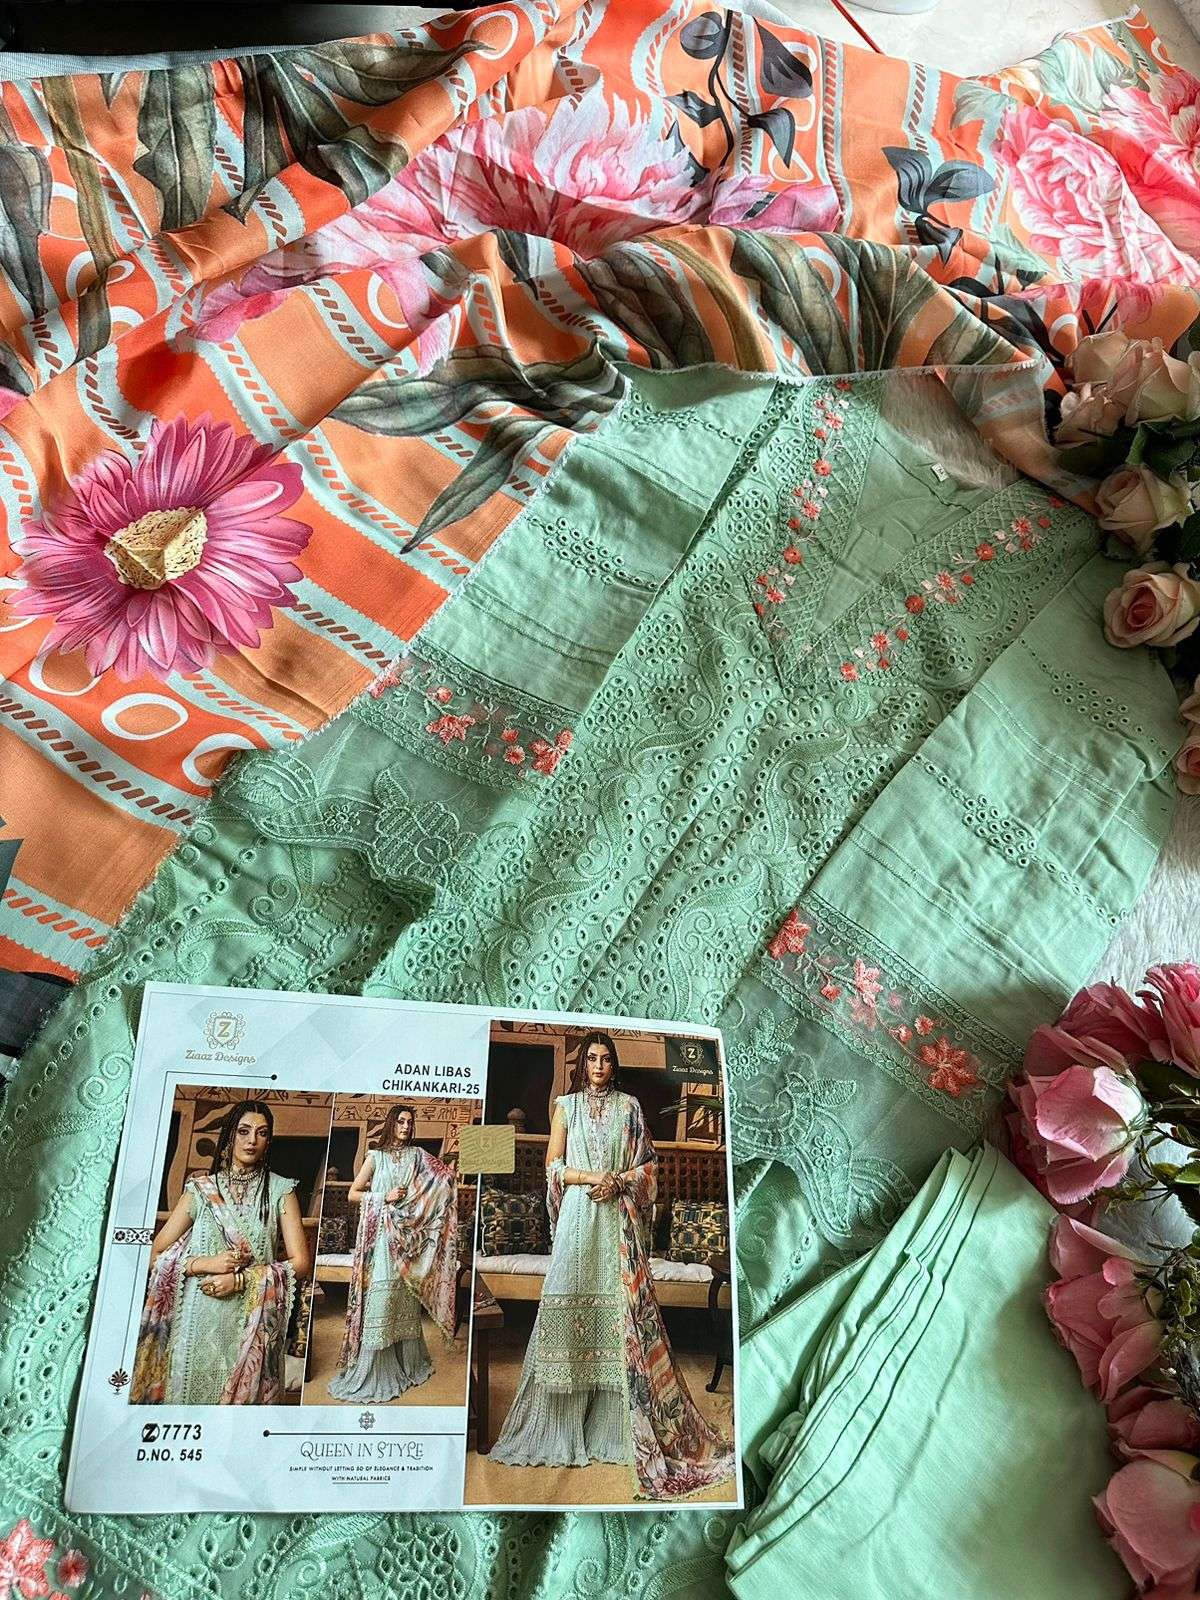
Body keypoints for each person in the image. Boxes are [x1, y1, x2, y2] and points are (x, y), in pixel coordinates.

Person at [490, 1032, 734, 1499]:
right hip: (579, 1218)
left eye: (605, 1059)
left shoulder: (630, 1107)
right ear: (582, 1064)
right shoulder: (565, 1106)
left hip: (617, 1222)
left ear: (613, 1064)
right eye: (591, 1059)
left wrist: (619, 1182)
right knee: (568, 1312)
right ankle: (561, 1429)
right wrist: (592, 1177)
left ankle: (614, 1430)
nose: (599, 1066)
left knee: (616, 1317)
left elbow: (649, 1167)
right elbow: (553, 1166)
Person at [132, 1098, 310, 1404]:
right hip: (196, 1321)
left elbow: (301, 1262)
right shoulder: (201, 1190)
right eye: (244, 1131)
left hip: (252, 1320)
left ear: (269, 1141)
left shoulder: (281, 1190)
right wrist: (205, 1263)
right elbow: (154, 1254)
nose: (252, 1140)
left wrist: (240, 1281)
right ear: (229, 1136)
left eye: (262, 1133)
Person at [329, 1104, 458, 1402]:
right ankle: (376, 1369)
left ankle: (407, 1362)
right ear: (391, 1124)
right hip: (382, 1238)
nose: (405, 1127)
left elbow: (441, 1180)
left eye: (410, 1122)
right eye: (400, 1121)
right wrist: (382, 1197)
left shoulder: (418, 1155)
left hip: (409, 1240)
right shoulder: (375, 1157)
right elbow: (353, 1194)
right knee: (383, 1298)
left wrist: (452, 1171)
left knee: (405, 1300)